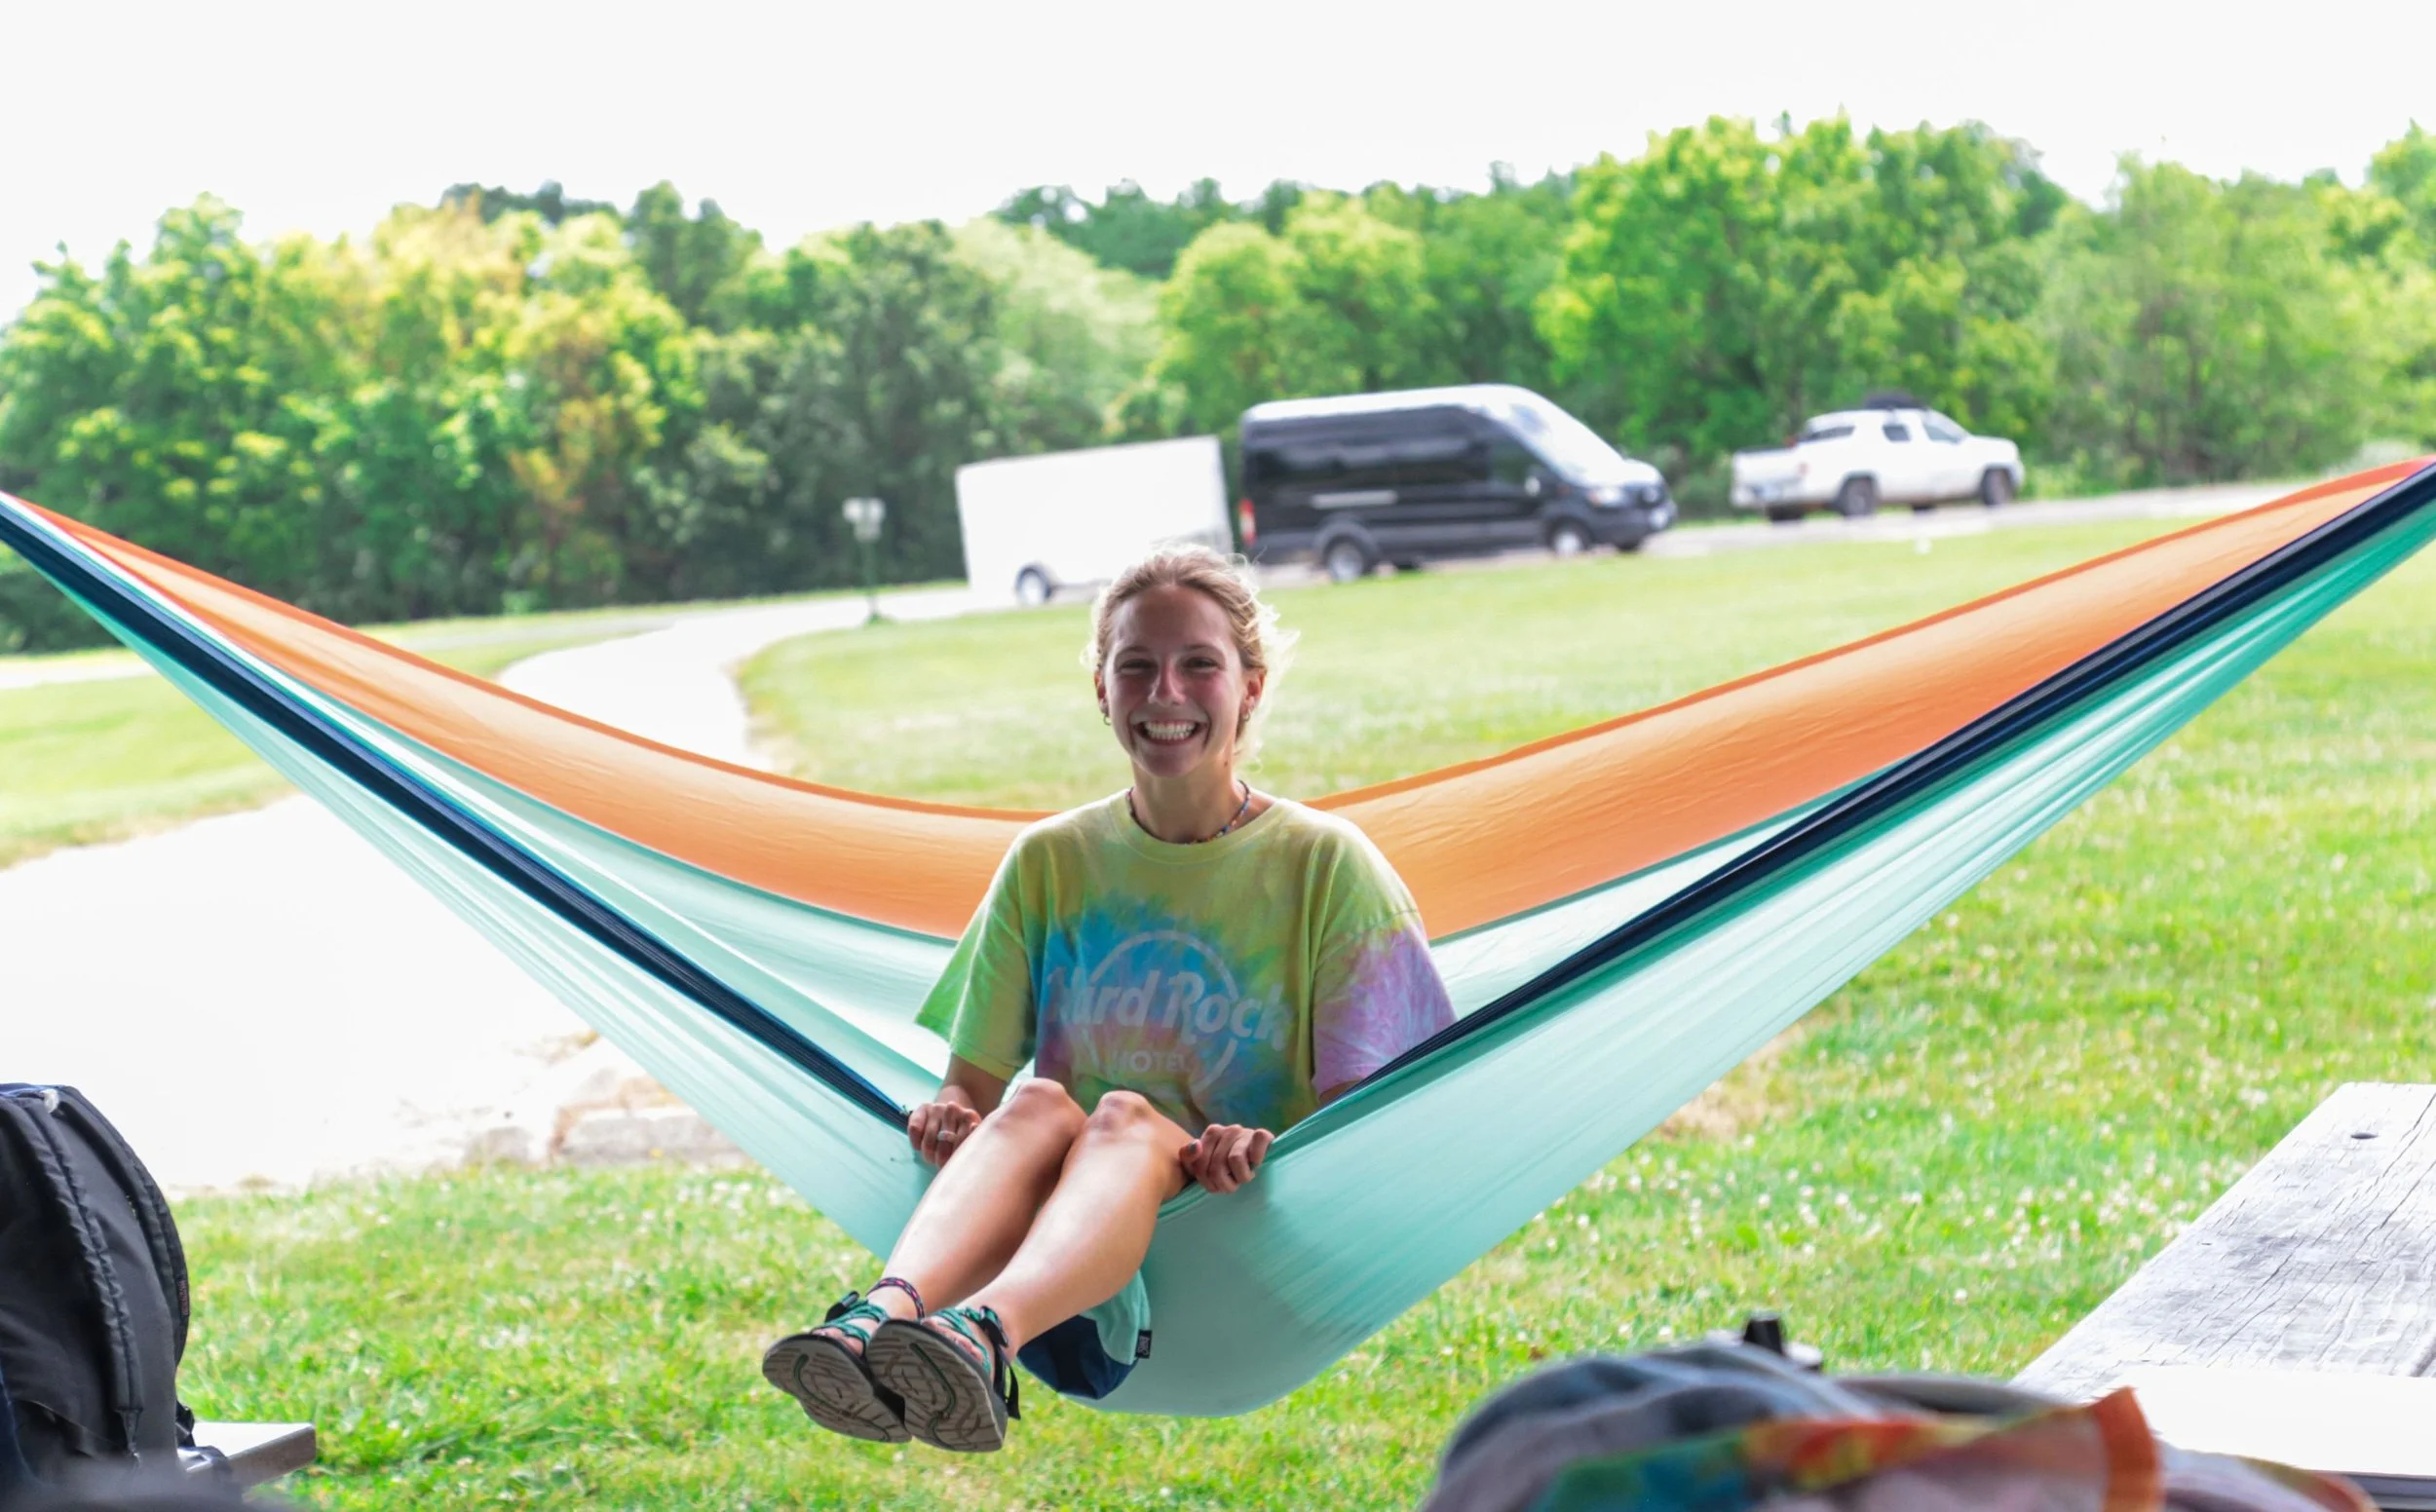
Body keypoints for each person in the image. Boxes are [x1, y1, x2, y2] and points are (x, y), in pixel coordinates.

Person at [761, 544, 1456, 1453]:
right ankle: (881, 1321)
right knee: (1041, 1101)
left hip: (1224, 1266)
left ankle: (979, 1335)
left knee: (1122, 1114)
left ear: (1249, 686)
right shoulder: (1050, 861)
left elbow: (1364, 1136)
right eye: (1136, 666)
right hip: (1057, 1279)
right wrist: (948, 1115)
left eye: (1199, 664)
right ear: (1102, 690)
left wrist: (1262, 1145)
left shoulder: (1325, 866)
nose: (1166, 692)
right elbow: (969, 1087)